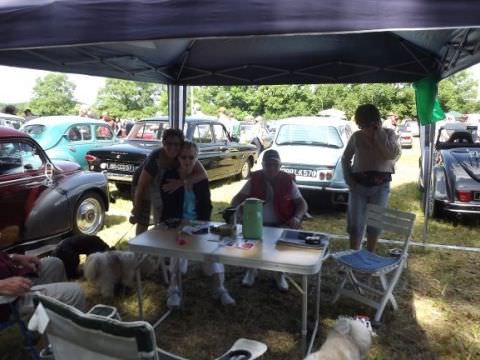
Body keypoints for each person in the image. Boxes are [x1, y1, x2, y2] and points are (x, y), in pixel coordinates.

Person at [161, 141, 235, 308]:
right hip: (178, 224)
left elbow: (206, 205)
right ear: (178, 158)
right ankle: (174, 289)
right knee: (177, 250)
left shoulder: (200, 178)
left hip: (199, 224)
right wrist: (179, 223)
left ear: (196, 158)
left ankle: (219, 288)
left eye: (191, 157)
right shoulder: (170, 176)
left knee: (214, 248)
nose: (187, 161)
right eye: (184, 157)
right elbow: (168, 205)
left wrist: (202, 223)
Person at [230, 149, 308, 291]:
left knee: (282, 247)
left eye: (275, 164)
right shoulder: (255, 179)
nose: (271, 168)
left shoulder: (287, 180)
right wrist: (236, 212)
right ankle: (251, 270)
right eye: (268, 164)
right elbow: (236, 199)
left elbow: (302, 203)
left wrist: (297, 217)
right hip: (256, 223)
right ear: (262, 165)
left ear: (280, 165)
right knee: (251, 244)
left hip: (282, 223)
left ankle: (279, 274)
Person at [341, 104, 401, 252]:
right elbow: (345, 159)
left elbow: (391, 155)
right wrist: (350, 182)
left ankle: (369, 254)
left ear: (376, 122)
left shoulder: (389, 134)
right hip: (358, 186)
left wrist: (379, 133)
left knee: (375, 224)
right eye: (363, 125)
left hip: (380, 187)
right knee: (355, 224)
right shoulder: (357, 136)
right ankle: (354, 254)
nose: (366, 129)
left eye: (369, 124)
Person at [132, 129, 208, 235]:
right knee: (143, 218)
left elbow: (203, 175)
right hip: (143, 184)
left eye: (176, 144)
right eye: (168, 143)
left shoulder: (183, 154)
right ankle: (139, 247)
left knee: (162, 212)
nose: (172, 147)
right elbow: (141, 186)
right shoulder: (156, 158)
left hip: (163, 181)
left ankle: (163, 238)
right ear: (163, 143)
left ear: (181, 144)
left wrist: (181, 183)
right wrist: (136, 209)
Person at [0, 251, 86, 321]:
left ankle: (55, 321)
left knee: (54, 263)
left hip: (14, 275)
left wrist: (12, 257)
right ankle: (68, 337)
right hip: (7, 301)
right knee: (75, 292)